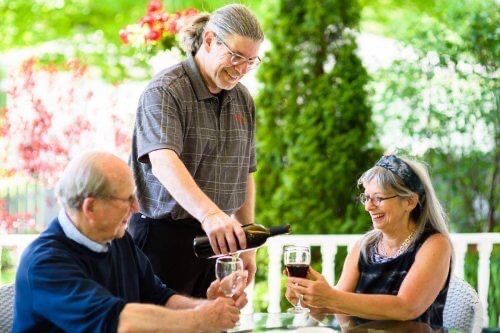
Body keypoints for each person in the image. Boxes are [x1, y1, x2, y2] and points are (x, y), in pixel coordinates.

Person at [13, 152, 246, 332]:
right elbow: (120, 323)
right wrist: (201, 319)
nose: (135, 208)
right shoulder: (45, 264)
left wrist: (206, 307)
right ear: (91, 207)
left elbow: (159, 297)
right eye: (126, 199)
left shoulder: (119, 239)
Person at [128, 3, 264, 298]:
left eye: (251, 61)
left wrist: (247, 236)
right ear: (210, 40)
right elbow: (163, 160)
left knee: (216, 323)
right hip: (161, 239)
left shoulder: (243, 99)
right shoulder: (165, 90)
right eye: (236, 56)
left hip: (219, 239)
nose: (241, 69)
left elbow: (245, 171)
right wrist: (211, 215)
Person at [285, 154, 453, 327]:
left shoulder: (434, 244)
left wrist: (330, 297)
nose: (368, 206)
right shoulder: (365, 247)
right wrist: (310, 300)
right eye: (366, 197)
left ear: (410, 202)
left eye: (378, 198)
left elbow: (406, 308)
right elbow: (338, 308)